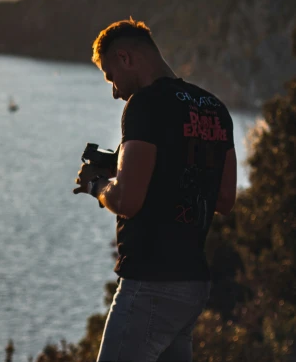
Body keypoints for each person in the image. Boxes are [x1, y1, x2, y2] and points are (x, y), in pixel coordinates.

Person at [72, 18, 237, 362]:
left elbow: (128, 201)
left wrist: (97, 185)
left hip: (151, 281)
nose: (115, 90)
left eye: (110, 75)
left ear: (126, 58)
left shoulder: (145, 105)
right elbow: (224, 199)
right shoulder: (215, 109)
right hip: (193, 282)